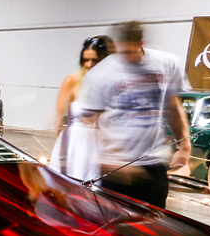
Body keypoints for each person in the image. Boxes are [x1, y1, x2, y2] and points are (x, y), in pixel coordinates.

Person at [76, 21, 190, 208]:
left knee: (154, 221)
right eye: (121, 52)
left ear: (141, 44)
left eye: (130, 52)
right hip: (116, 168)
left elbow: (172, 107)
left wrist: (184, 146)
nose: (125, 58)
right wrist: (105, 162)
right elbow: (89, 122)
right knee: (117, 223)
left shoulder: (166, 63)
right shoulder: (99, 75)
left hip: (154, 163)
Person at [49, 36, 110, 181]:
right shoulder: (72, 81)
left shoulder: (111, 84)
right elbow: (59, 120)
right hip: (74, 145)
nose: (89, 64)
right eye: (85, 60)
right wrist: (61, 155)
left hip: (100, 148)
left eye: (94, 60)